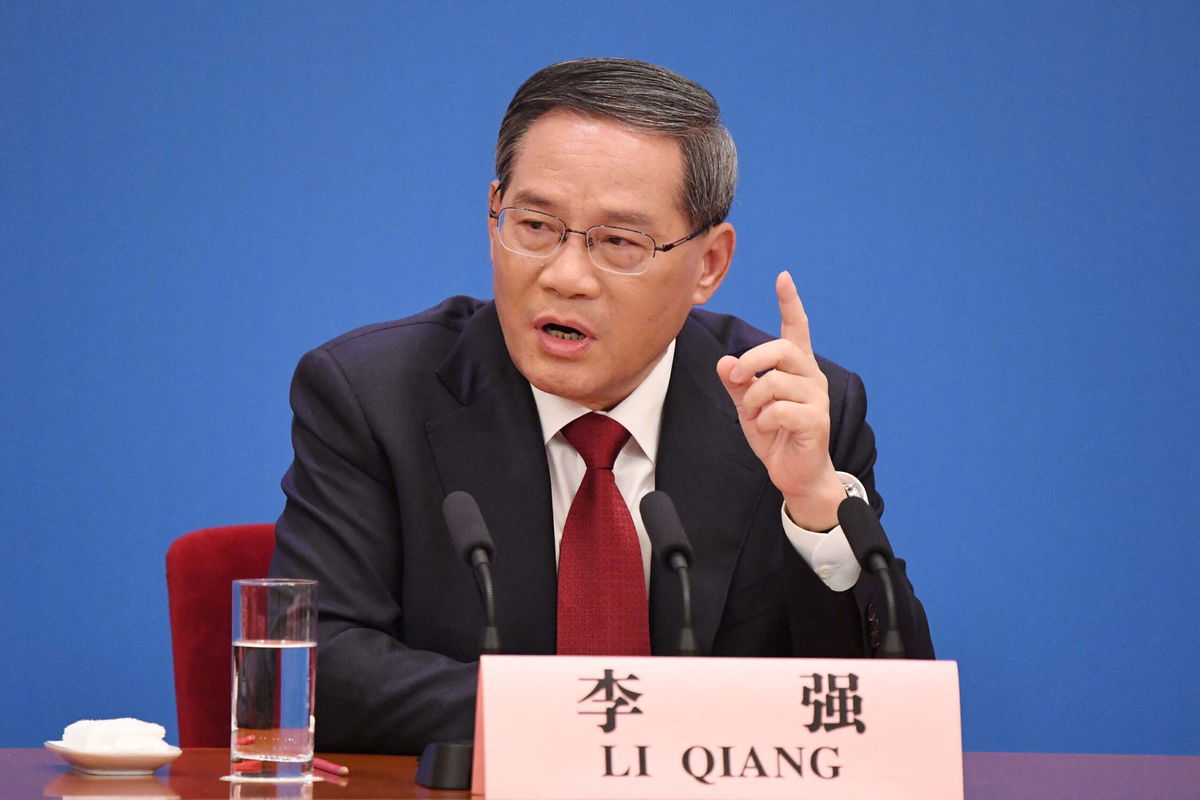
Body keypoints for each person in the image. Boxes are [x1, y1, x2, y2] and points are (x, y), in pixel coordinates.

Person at [269, 57, 933, 755]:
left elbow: (888, 717)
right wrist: (609, 727)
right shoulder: (372, 396)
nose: (565, 275)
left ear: (709, 264)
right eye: (534, 226)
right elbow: (322, 667)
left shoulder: (789, 411)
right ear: (493, 210)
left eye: (619, 242)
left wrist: (816, 507)